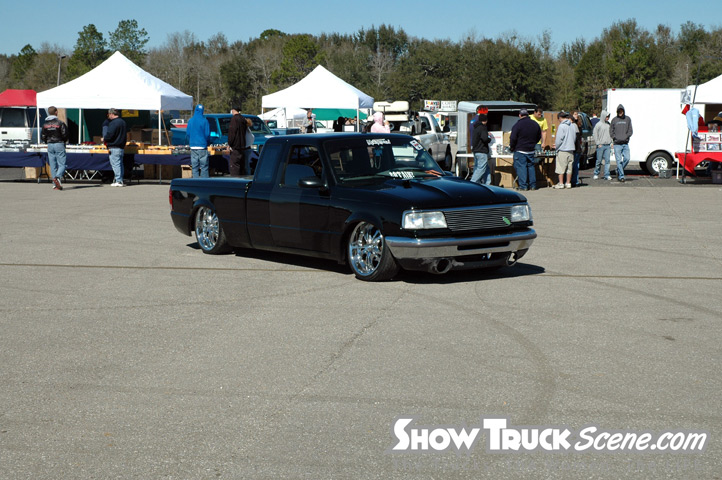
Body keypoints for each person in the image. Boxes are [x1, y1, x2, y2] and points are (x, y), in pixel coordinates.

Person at [509, 109, 541, 191]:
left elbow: (513, 138)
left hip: (520, 149)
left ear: (520, 115)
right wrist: (533, 143)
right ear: (528, 115)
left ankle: (523, 186)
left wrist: (512, 147)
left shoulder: (517, 125)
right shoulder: (535, 124)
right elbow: (539, 136)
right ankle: (533, 185)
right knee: (531, 167)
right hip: (531, 149)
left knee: (521, 167)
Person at [40, 106, 68, 191]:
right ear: (56, 112)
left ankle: (55, 184)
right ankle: (57, 177)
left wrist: (47, 141)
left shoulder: (45, 124)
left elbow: (43, 136)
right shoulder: (60, 123)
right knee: (62, 164)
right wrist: (63, 141)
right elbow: (65, 134)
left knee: (53, 165)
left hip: (50, 144)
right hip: (59, 143)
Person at [186, 104, 211, 178]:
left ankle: (195, 181)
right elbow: (207, 134)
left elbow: (188, 133)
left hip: (193, 146)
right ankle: (204, 182)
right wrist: (207, 142)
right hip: (202, 146)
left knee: (194, 167)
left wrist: (191, 141)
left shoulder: (190, 121)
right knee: (204, 166)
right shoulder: (205, 121)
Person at [610, 104, 633, 183]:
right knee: (618, 161)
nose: (620, 112)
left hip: (625, 143)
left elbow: (630, 130)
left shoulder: (627, 119)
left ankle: (618, 170)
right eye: (619, 111)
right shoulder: (614, 120)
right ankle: (621, 176)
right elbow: (611, 130)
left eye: (621, 111)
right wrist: (614, 137)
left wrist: (626, 136)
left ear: (623, 111)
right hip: (617, 144)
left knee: (627, 158)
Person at [105, 108, 127, 187]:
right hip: (121, 147)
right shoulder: (123, 122)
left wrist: (104, 138)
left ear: (111, 114)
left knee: (116, 164)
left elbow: (110, 134)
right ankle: (120, 179)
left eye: (108, 114)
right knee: (120, 164)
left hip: (114, 146)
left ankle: (118, 180)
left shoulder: (113, 123)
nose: (108, 116)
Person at [554, 111, 576, 189]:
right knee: (569, 168)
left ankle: (561, 183)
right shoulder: (572, 125)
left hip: (563, 149)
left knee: (560, 167)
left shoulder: (561, 126)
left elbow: (559, 139)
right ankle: (568, 183)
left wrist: (556, 146)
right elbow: (574, 137)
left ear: (560, 118)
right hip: (571, 149)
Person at [470, 113, 491, 185]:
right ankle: (472, 183)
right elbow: (485, 139)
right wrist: (489, 139)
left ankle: (487, 183)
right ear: (485, 120)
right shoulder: (483, 127)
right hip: (482, 151)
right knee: (481, 168)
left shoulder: (476, 127)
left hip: (476, 151)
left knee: (485, 168)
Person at [592, 110, 612, 180]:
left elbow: (611, 134)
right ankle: (596, 173)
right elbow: (595, 134)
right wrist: (598, 143)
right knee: (599, 161)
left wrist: (611, 142)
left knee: (607, 161)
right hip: (601, 145)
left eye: (608, 117)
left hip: (608, 145)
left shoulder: (609, 124)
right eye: (606, 116)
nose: (607, 118)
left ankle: (607, 174)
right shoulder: (598, 124)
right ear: (603, 116)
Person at [228, 105, 248, 176]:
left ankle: (235, 180)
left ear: (233, 110)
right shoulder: (243, 119)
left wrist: (229, 144)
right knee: (241, 167)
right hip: (242, 146)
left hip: (235, 147)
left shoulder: (234, 119)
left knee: (234, 166)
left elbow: (232, 133)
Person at [570, 110, 583, 186]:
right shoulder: (572, 124)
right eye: (575, 114)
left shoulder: (577, 125)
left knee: (575, 165)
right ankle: (574, 180)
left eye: (577, 114)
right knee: (574, 165)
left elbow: (579, 136)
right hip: (575, 147)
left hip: (577, 147)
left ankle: (575, 181)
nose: (576, 115)